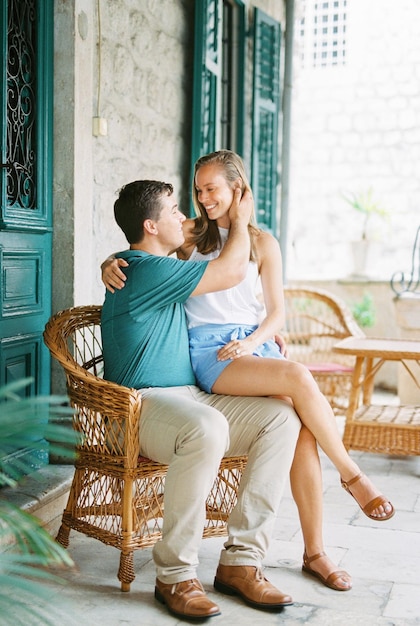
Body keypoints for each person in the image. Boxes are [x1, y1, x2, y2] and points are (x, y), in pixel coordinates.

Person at [102, 151, 395, 594]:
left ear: (237, 189)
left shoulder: (261, 242)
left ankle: (292, 553)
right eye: (195, 192)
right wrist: (111, 259)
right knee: (296, 380)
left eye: (209, 189)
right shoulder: (189, 240)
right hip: (209, 358)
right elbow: (145, 247)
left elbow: (277, 311)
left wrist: (258, 338)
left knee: (292, 422)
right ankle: (352, 476)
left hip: (245, 349)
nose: (199, 201)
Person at [101, 179, 302, 621]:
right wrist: (244, 218)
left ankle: (241, 562)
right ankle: (173, 575)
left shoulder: (156, 262)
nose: (184, 217)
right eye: (175, 210)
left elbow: (198, 240)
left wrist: (107, 259)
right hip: (138, 407)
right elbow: (231, 271)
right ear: (151, 225)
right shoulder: (146, 268)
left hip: (188, 397)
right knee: (206, 426)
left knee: (281, 418)